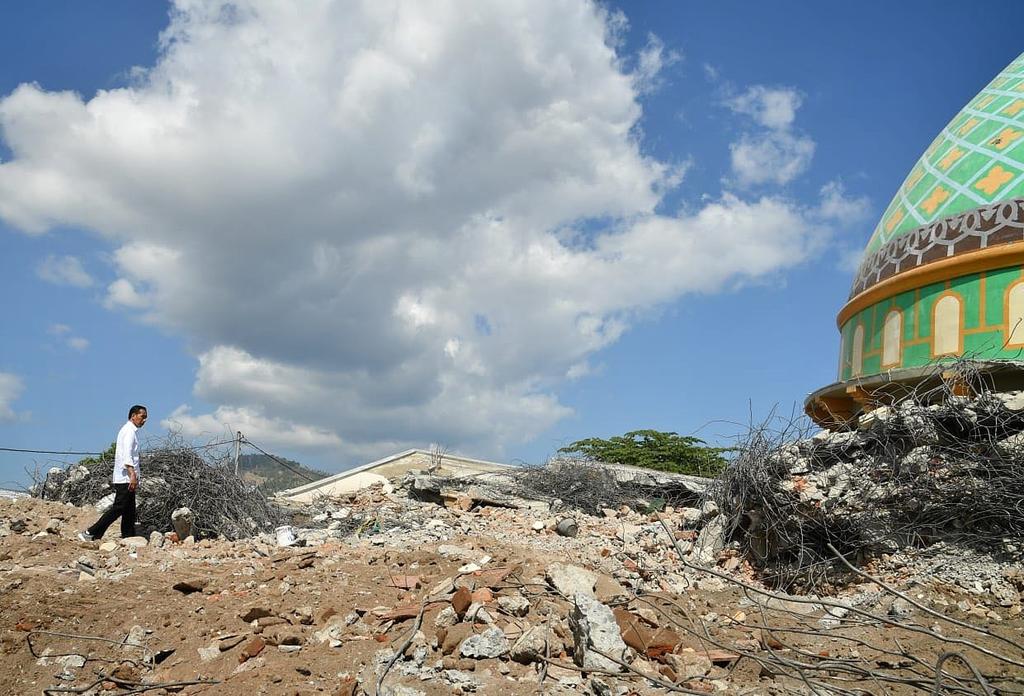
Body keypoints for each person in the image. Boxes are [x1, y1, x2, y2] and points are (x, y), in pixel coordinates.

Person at [78, 405, 147, 541]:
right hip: (125, 477)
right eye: (142, 416)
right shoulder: (129, 431)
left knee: (129, 509)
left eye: (145, 417)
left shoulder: (129, 431)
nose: (144, 420)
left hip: (127, 477)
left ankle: (128, 536)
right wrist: (132, 474)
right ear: (133, 416)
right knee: (118, 508)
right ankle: (90, 532)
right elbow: (127, 455)